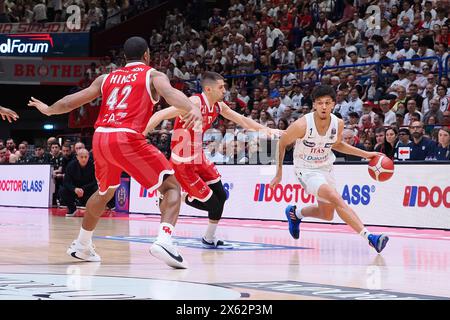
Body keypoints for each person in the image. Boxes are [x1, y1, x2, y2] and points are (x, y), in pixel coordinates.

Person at [28, 36, 202, 269]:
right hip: (126, 137)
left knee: (104, 192)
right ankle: (165, 240)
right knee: (171, 187)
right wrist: (192, 108)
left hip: (100, 138)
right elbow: (171, 94)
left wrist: (48, 110)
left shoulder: (106, 77)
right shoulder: (153, 75)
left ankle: (82, 245)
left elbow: (71, 102)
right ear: (147, 55)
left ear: (124, 57)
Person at [144, 71, 281, 248]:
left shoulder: (218, 106)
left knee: (222, 196)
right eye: (221, 87)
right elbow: (160, 115)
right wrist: (140, 134)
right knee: (213, 205)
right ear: (208, 89)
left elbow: (241, 119)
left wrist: (268, 130)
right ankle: (178, 196)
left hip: (199, 157)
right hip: (183, 163)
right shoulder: (193, 103)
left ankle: (209, 238)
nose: (225, 90)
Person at [270, 85, 389, 254]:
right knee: (336, 198)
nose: (324, 107)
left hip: (326, 167)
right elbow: (281, 143)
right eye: (320, 103)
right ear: (314, 105)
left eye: (327, 103)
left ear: (334, 104)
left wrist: (366, 154)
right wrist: (279, 172)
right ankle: (371, 238)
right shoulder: (302, 125)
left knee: (327, 214)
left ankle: (295, 213)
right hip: (306, 169)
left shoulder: (338, 123)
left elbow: (337, 144)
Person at [59, 149, 97, 216]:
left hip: (87, 190)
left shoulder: (93, 165)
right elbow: (66, 182)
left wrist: (83, 189)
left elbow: (95, 181)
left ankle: (92, 209)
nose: (84, 159)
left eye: (85, 157)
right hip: (75, 190)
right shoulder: (71, 165)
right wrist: (75, 189)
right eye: (81, 157)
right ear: (77, 157)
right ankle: (72, 209)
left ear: (88, 156)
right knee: (62, 190)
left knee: (97, 189)